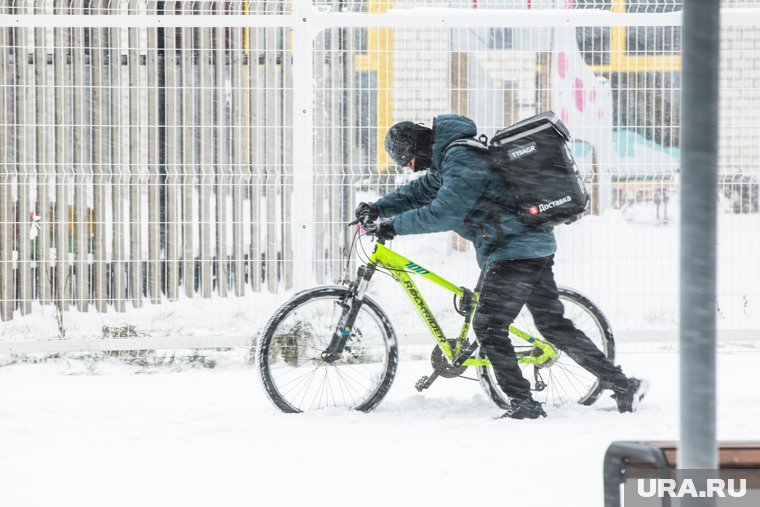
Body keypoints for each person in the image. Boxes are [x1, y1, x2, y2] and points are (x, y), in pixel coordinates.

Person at [355, 114, 648, 419]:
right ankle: (624, 385)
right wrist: (378, 207)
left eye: (410, 160)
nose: (412, 168)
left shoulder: (461, 157)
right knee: (552, 325)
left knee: (489, 325)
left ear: (420, 146)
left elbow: (445, 212)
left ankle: (523, 403)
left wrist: (393, 226)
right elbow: (419, 191)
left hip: (514, 252)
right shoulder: (452, 158)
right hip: (526, 247)